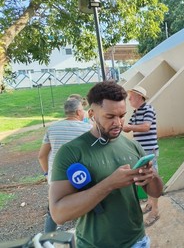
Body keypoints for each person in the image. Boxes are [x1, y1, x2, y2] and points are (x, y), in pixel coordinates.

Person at [49, 80, 163, 247]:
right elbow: (59, 213)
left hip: (138, 241)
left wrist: (151, 176)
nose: (118, 123)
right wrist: (109, 184)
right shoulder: (71, 153)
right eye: (110, 116)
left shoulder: (132, 146)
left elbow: (157, 192)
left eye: (122, 116)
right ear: (91, 114)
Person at [38, 97, 92, 233]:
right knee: (82, 208)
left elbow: (42, 155)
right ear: (79, 112)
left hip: (56, 178)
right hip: (80, 177)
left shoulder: (52, 128)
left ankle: (47, 240)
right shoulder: (88, 128)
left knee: (53, 210)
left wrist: (47, 173)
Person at [123, 85, 160, 227]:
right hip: (141, 151)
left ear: (139, 97)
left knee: (151, 178)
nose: (129, 99)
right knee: (145, 178)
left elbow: (146, 127)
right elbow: (129, 126)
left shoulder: (148, 109)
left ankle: (155, 211)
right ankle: (150, 204)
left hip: (149, 152)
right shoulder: (136, 111)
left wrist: (128, 127)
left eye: (131, 96)